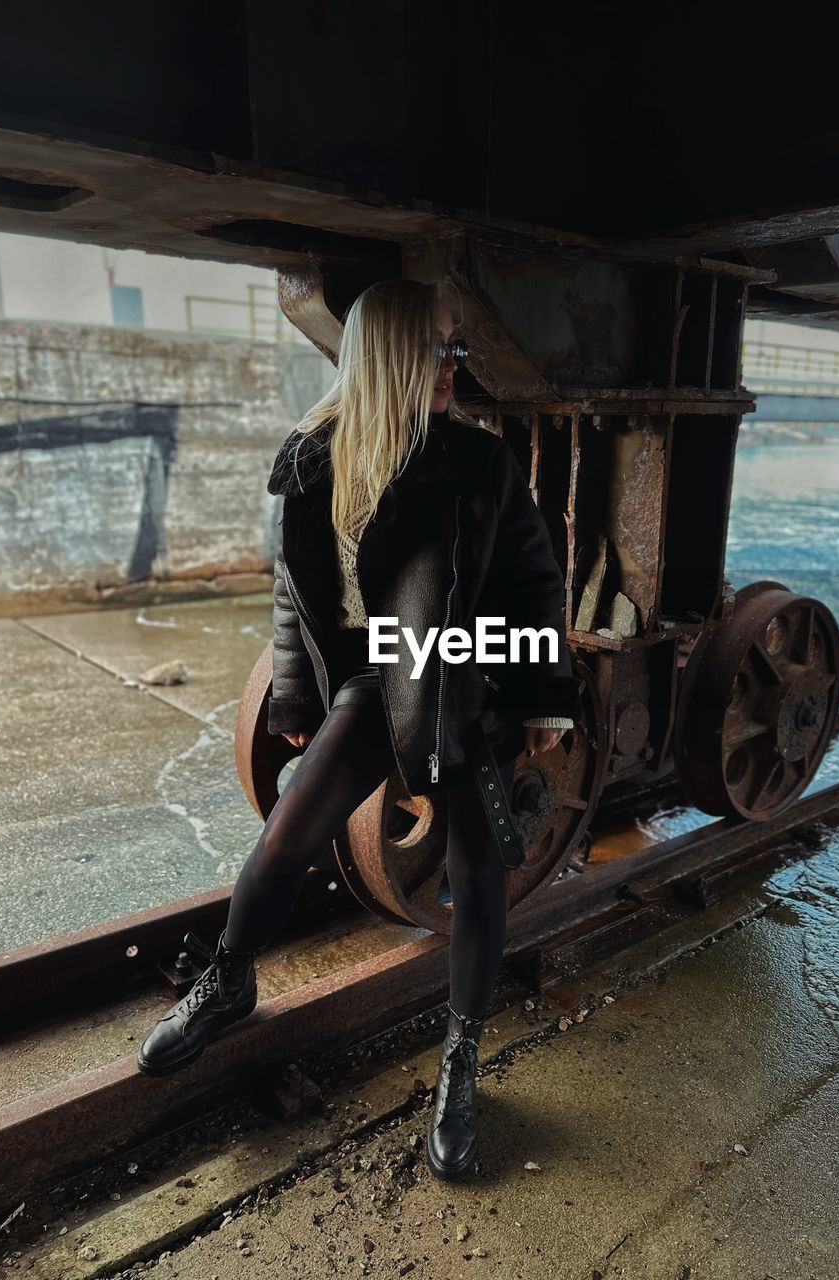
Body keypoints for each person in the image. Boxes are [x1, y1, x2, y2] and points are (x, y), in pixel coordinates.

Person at [137, 278, 582, 1181]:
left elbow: (536, 583)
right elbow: (291, 601)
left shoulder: (475, 461)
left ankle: (461, 1058)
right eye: (440, 350)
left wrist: (543, 700)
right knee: (290, 828)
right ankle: (229, 979)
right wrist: (295, 705)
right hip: (376, 681)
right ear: (387, 357)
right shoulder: (309, 458)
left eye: (458, 349)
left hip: (463, 674)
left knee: (475, 869)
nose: (456, 366)